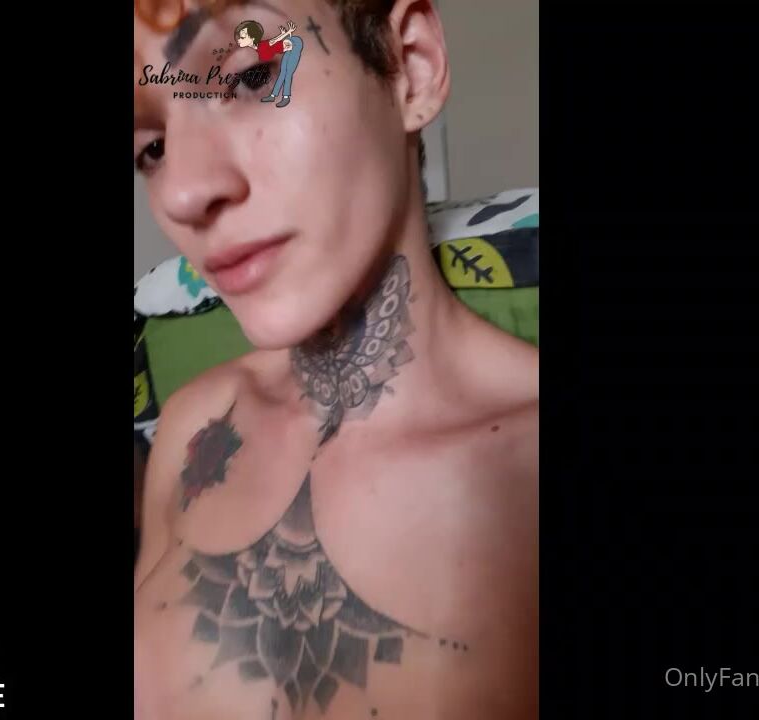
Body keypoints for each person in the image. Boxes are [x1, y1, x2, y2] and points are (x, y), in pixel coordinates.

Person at [133, 1, 538, 718]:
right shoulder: (191, 429)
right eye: (152, 148)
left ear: (410, 68)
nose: (185, 192)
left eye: (252, 77)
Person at [234, 19, 304, 107]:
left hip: (293, 48)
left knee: (286, 75)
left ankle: (285, 97)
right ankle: (273, 96)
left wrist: (287, 32)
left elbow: (276, 40)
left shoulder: (263, 45)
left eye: (242, 37)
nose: (239, 39)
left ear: (252, 38)